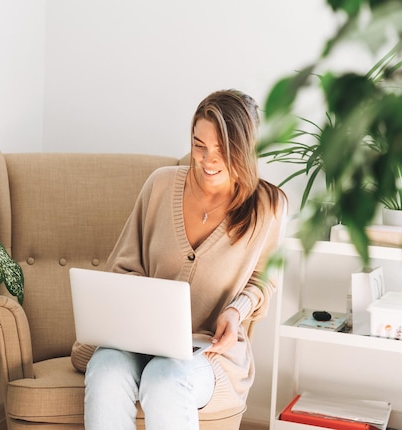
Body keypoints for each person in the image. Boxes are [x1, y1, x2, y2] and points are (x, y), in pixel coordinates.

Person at [79, 89, 287, 429]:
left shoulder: (268, 206)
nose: (208, 160)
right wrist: (141, 308)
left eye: (222, 151)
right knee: (104, 369)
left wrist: (237, 312)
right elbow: (125, 264)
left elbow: (263, 279)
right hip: (138, 338)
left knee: (164, 377)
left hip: (207, 349)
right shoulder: (160, 185)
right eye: (199, 145)